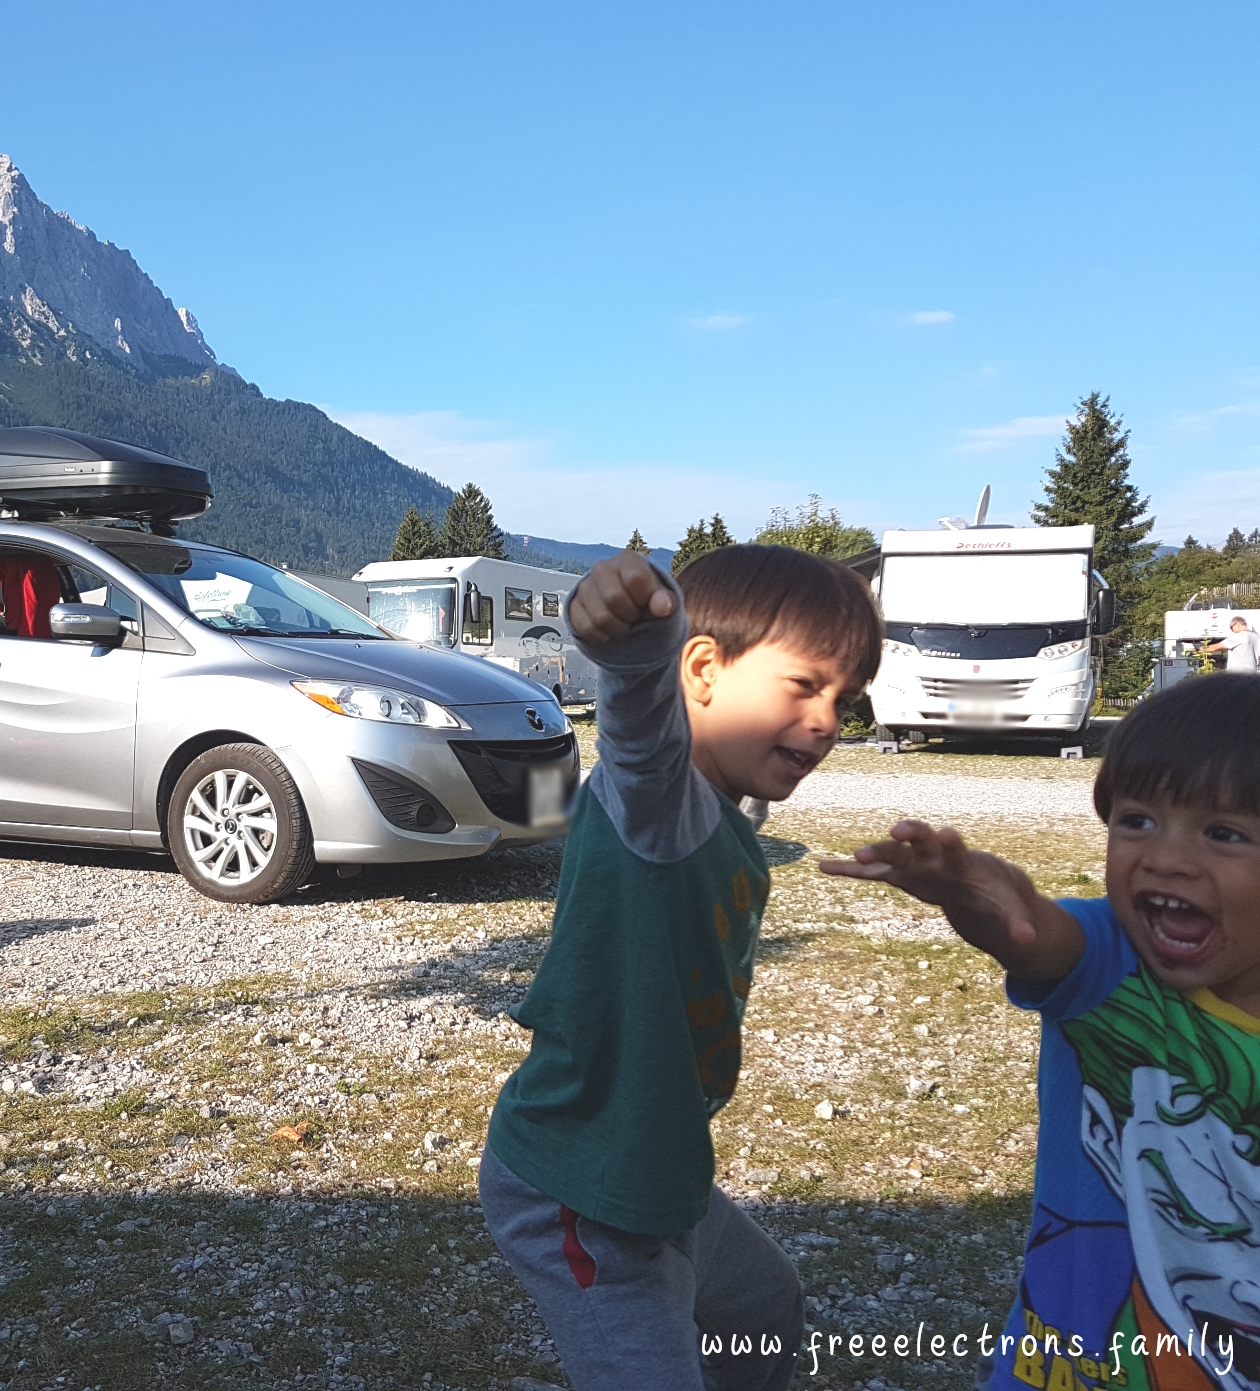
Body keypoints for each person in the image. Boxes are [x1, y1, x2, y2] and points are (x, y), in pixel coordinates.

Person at [479, 543, 881, 1391]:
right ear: (702, 669)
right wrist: (633, 643)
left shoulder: (725, 816)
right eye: (805, 685)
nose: (826, 721)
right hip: (580, 1190)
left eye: (844, 699)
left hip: (659, 1172)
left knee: (764, 1307)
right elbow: (637, 722)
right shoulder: (658, 797)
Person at [822, 672, 1260, 1391]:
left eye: (1223, 833)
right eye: (1136, 819)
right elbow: (1033, 934)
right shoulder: (1112, 960)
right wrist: (977, 898)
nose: (1167, 858)